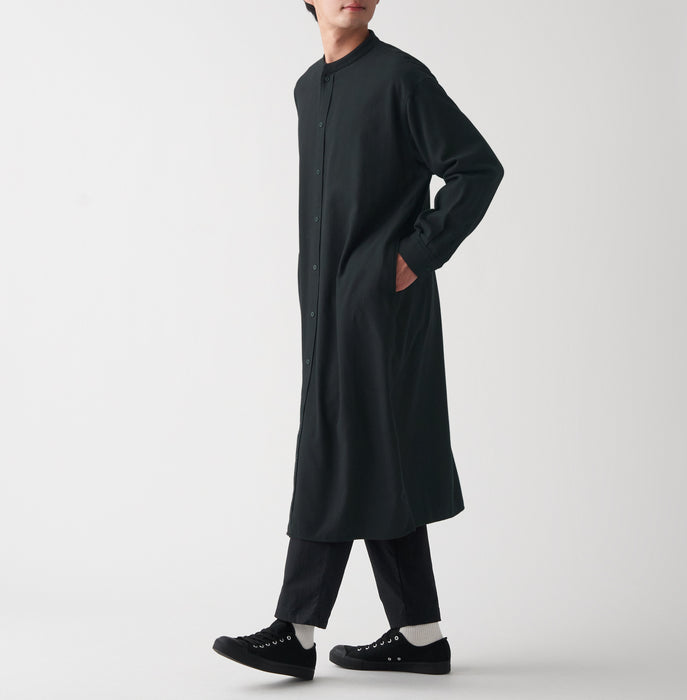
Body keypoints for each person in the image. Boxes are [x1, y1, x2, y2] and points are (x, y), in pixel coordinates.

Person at [213, 0, 504, 680]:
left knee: (336, 444)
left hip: (380, 304)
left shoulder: (402, 78)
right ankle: (420, 635)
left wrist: (413, 256)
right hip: (324, 306)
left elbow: (476, 168)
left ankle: (295, 628)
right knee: (375, 452)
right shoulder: (306, 89)